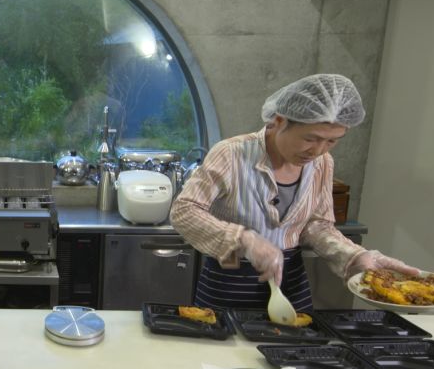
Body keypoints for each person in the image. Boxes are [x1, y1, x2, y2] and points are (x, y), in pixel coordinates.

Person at [170, 74, 419, 312]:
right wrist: (245, 240)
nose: (318, 150)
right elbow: (184, 211)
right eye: (311, 138)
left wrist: (354, 256)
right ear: (279, 121)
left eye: (332, 141)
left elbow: (317, 225)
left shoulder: (323, 163)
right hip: (227, 283)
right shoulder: (231, 154)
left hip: (292, 285)